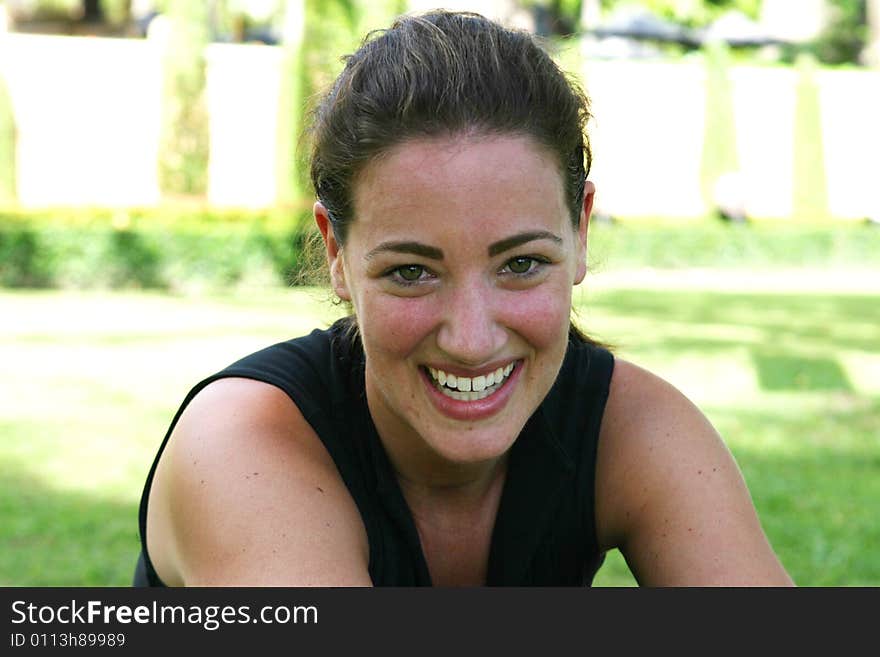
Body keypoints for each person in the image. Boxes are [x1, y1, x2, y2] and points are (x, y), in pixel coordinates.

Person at [134, 10, 793, 587]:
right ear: (336, 252)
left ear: (582, 228)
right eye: (411, 272)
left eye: (522, 263)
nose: (472, 339)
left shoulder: (633, 427)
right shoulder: (242, 445)